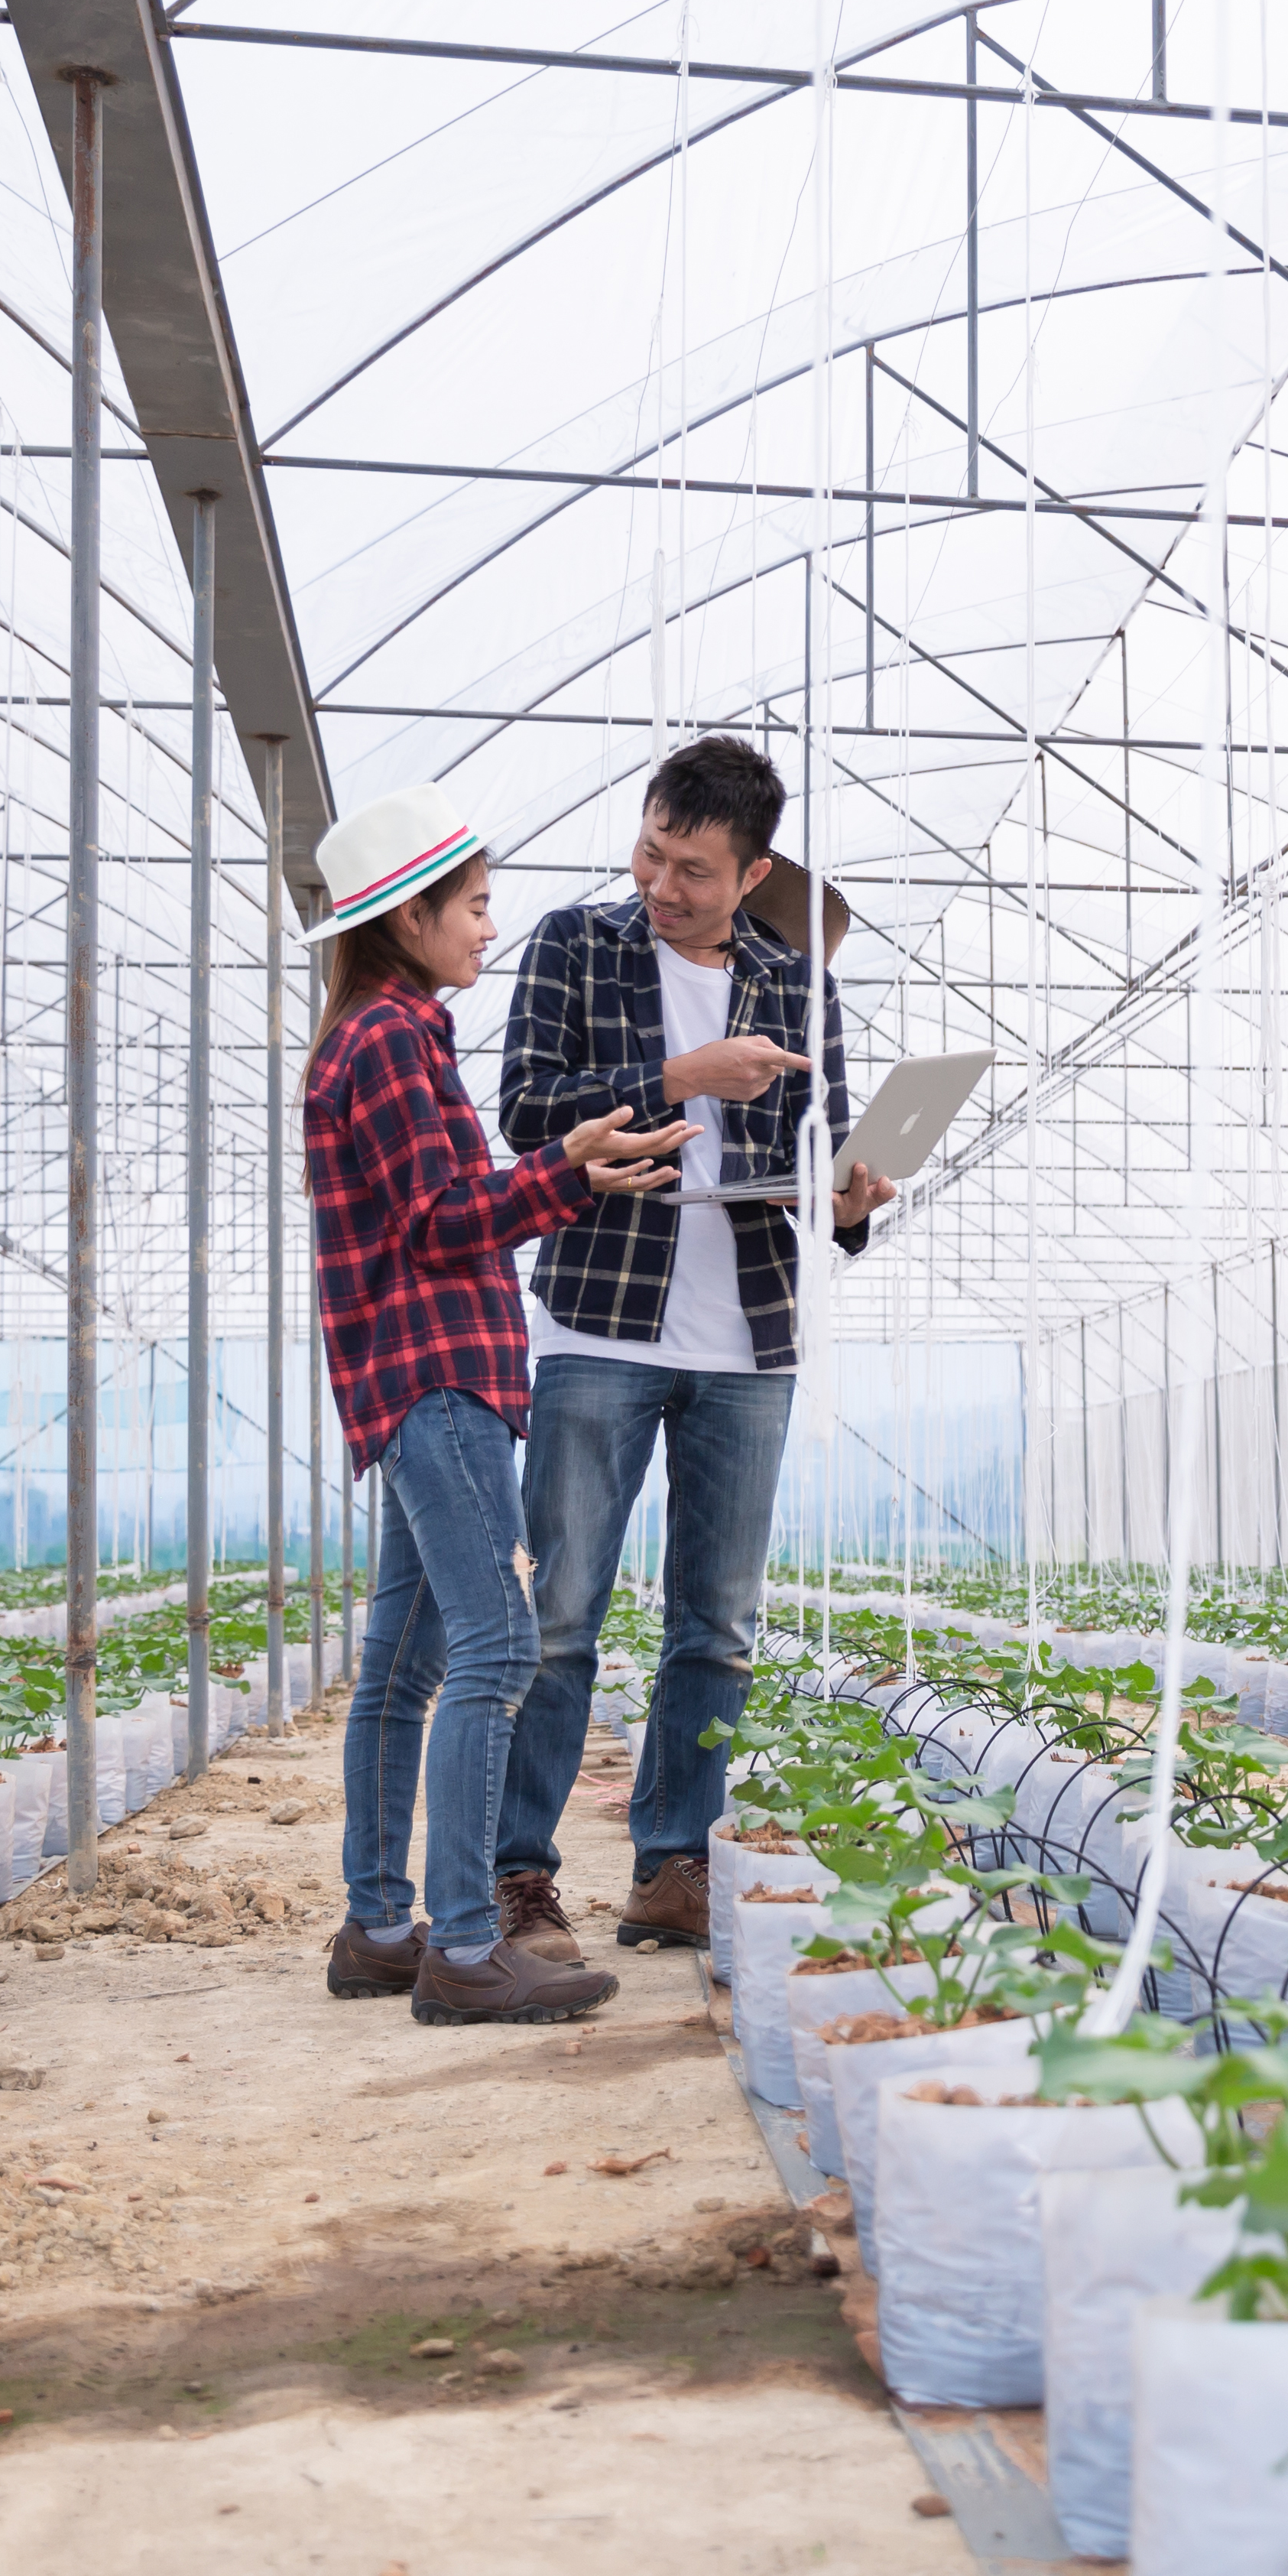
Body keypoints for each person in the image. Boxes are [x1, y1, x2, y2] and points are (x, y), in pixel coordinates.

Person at [302, 784, 696, 2024]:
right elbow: (438, 1221)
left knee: (404, 1662)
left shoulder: (383, 1035)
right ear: (406, 917)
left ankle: (380, 1928)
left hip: (415, 1381)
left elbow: (432, 1209)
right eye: (472, 906)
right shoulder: (387, 1042)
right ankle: (468, 1946)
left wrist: (563, 1174)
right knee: (499, 1646)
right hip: (440, 1379)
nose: (487, 927)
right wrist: (565, 1169)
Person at [498, 736, 892, 1957]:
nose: (663, 885)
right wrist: (685, 1074)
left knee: (715, 1626)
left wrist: (851, 1199)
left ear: (753, 873)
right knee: (560, 1617)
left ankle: (673, 1866)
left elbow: (824, 1151)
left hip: (751, 1339)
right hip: (599, 1324)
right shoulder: (575, 944)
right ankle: (520, 1876)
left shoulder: (796, 984)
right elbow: (524, 1108)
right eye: (652, 854)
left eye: (695, 870)